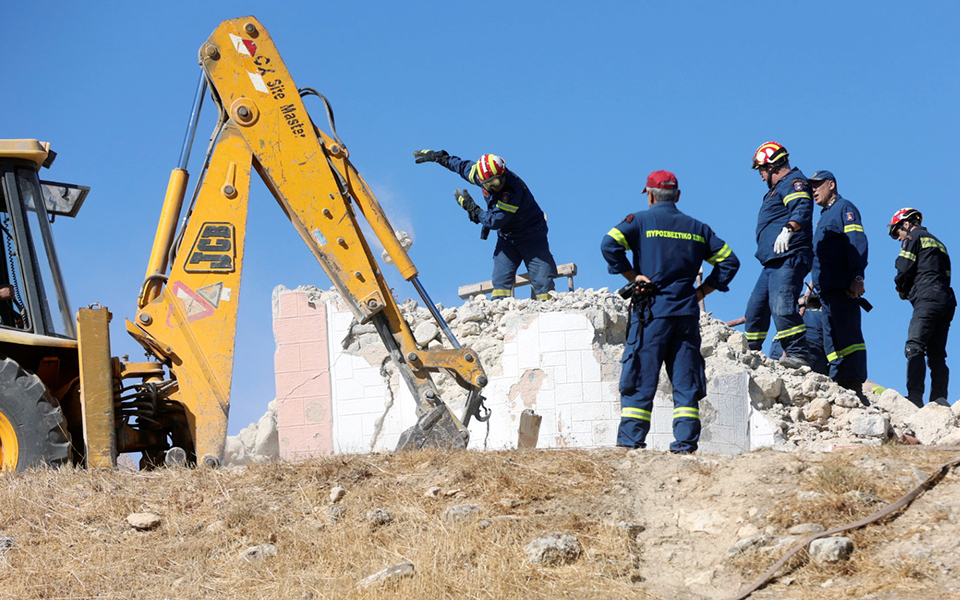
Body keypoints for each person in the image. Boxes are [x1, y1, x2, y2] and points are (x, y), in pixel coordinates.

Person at [601, 170, 739, 453]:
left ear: (650, 195)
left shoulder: (639, 221)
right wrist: (702, 292)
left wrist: (633, 276)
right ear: (678, 196)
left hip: (651, 313)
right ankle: (685, 446)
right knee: (686, 381)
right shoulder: (698, 228)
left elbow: (609, 243)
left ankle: (630, 443)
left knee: (640, 377)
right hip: (686, 314)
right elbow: (729, 261)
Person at [413, 150, 557, 300]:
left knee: (542, 281)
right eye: (487, 184)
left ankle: (547, 310)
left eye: (495, 182)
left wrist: (474, 210)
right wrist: (440, 158)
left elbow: (495, 221)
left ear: (504, 173)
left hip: (531, 235)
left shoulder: (512, 191)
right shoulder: (483, 176)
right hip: (507, 238)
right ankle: (501, 312)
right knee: (500, 280)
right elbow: (462, 167)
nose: (493, 187)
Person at [744, 142, 813, 369]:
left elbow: (802, 207)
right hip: (773, 261)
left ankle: (797, 353)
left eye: (762, 170)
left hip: (789, 257)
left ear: (773, 166)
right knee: (756, 308)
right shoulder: (778, 187)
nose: (761, 177)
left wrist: (789, 229)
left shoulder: (794, 182)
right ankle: (750, 352)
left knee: (782, 305)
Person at [888, 208, 956, 407]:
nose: (899, 238)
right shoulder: (939, 243)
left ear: (906, 223)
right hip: (946, 299)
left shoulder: (913, 237)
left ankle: (914, 399)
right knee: (937, 355)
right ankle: (940, 401)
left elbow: (904, 268)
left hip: (927, 298)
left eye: (897, 232)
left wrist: (901, 287)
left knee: (914, 347)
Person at [809, 170, 869, 392]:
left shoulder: (845, 208)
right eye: (811, 186)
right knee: (831, 339)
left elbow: (856, 242)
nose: (813, 190)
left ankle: (853, 382)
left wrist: (857, 276)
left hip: (843, 286)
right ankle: (837, 381)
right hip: (825, 291)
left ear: (831, 185)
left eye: (817, 185)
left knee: (848, 335)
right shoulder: (825, 215)